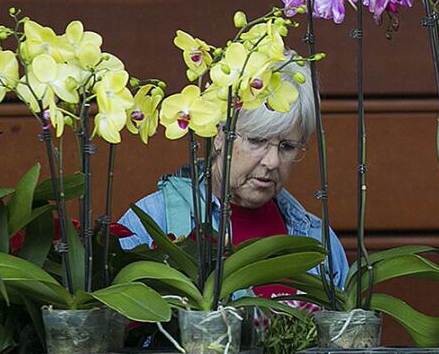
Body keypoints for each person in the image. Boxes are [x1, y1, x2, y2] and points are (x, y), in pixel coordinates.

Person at [117, 57, 349, 291]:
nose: (272, 161)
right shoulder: (152, 222)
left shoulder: (317, 241)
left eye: (287, 146)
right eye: (257, 141)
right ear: (219, 134)